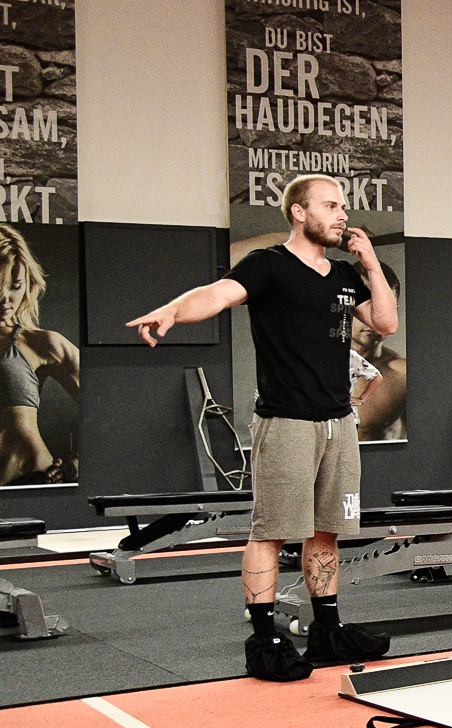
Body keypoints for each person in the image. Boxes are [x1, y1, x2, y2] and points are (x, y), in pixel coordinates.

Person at [128, 174, 397, 681]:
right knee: (271, 533)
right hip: (286, 420)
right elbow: (215, 295)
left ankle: (327, 630)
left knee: (326, 531)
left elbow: (385, 323)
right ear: (300, 212)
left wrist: (370, 264)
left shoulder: (343, 274)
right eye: (331, 205)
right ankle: (265, 638)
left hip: (338, 421)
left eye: (344, 206)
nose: (343, 214)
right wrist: (172, 311)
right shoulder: (269, 265)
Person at [0, 225, 80, 487]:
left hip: (30, 481)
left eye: (15, 286)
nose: (5, 298)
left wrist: (75, 464)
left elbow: (109, 405)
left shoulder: (42, 344)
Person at [351, 263, 407, 441]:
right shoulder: (312, 363)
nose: (373, 317)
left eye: (383, 307)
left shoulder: (402, 375)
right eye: (364, 304)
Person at [349, 348, 383, 422]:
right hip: (322, 417)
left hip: (348, 418)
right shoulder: (319, 356)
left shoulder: (350, 356)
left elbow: (377, 377)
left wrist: (362, 399)